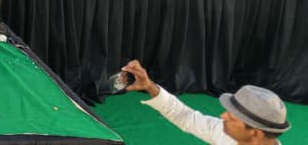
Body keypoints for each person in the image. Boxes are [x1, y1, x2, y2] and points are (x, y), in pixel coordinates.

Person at [120, 60, 290, 144]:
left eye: (232, 117)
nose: (222, 116)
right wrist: (149, 86)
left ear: (256, 133)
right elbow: (185, 117)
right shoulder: (227, 135)